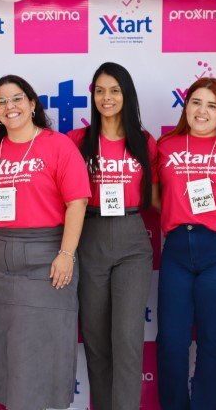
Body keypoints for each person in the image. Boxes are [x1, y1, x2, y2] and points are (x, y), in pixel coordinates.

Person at [0, 75, 90, 410]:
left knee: (40, 342)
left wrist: (66, 254)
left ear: (32, 103)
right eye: (2, 101)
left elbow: (77, 202)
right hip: (1, 256)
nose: (10, 107)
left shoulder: (58, 145)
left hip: (47, 252)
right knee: (5, 343)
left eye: (17, 98)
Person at [155, 78, 216, 410]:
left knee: (212, 341)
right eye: (196, 102)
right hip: (178, 250)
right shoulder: (166, 146)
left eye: (212, 105)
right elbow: (152, 194)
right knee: (171, 341)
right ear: (186, 106)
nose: (202, 111)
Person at [67, 63, 158, 410]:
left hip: (132, 239)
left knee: (127, 339)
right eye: (101, 91)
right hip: (90, 236)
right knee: (96, 340)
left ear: (127, 95)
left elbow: (158, 197)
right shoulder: (77, 141)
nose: (107, 98)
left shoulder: (144, 142)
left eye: (115, 90)